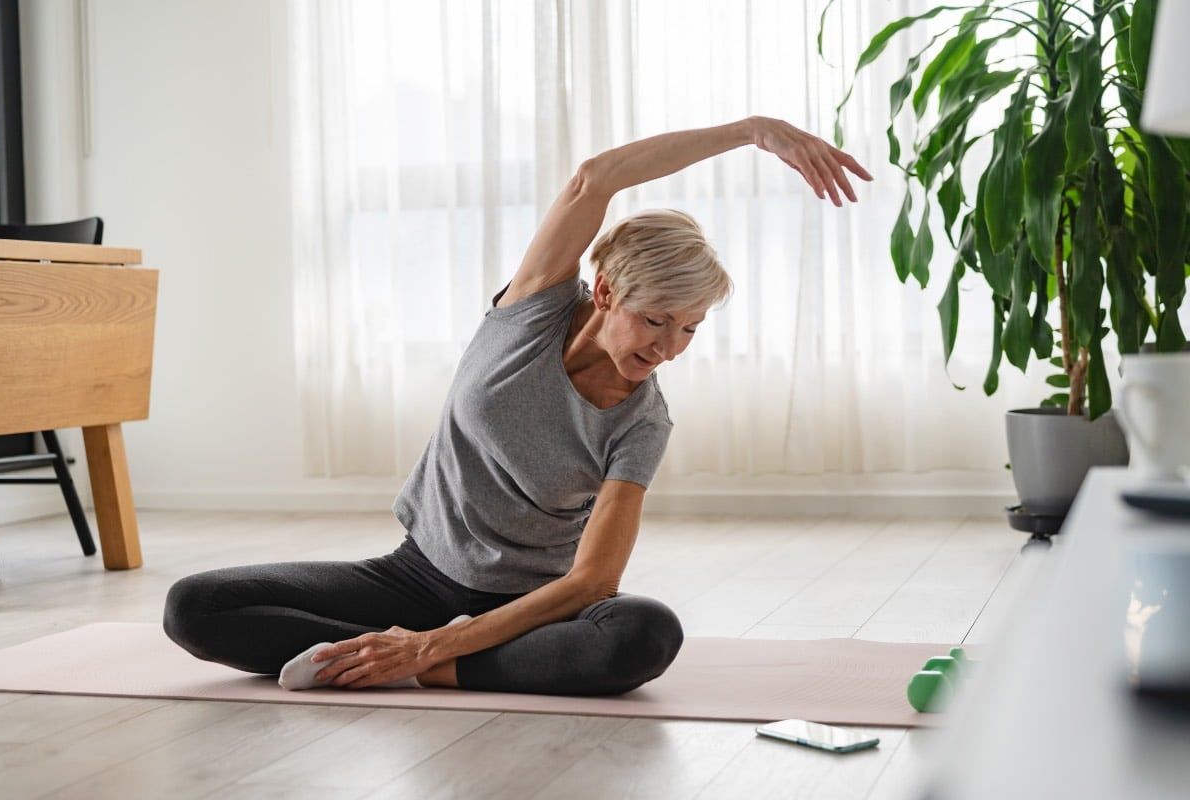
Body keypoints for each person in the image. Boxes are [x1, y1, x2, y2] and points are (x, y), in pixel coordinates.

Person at [163, 116, 871, 696]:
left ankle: (426, 666)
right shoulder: (530, 310)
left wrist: (441, 643)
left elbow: (595, 580)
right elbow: (596, 178)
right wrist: (753, 132)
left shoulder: (641, 421)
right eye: (656, 320)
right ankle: (403, 658)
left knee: (643, 634)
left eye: (690, 328)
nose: (670, 348)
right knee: (194, 607)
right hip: (412, 576)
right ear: (605, 295)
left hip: (527, 608)